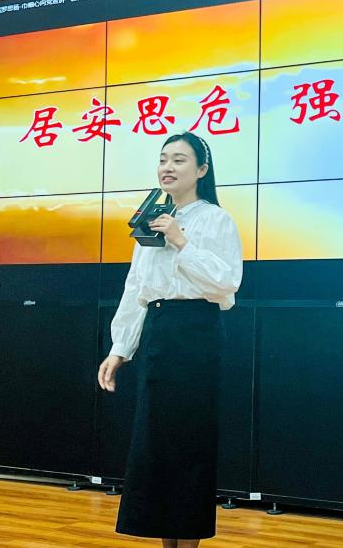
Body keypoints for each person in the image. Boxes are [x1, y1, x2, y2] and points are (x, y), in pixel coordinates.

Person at [97, 131, 243, 548]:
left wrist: (182, 242)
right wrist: (120, 348)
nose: (167, 167)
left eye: (179, 160)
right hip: (159, 334)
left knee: (190, 444)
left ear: (201, 169)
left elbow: (226, 284)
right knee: (155, 444)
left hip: (196, 334)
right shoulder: (150, 220)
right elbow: (136, 288)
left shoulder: (215, 219)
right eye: (163, 159)